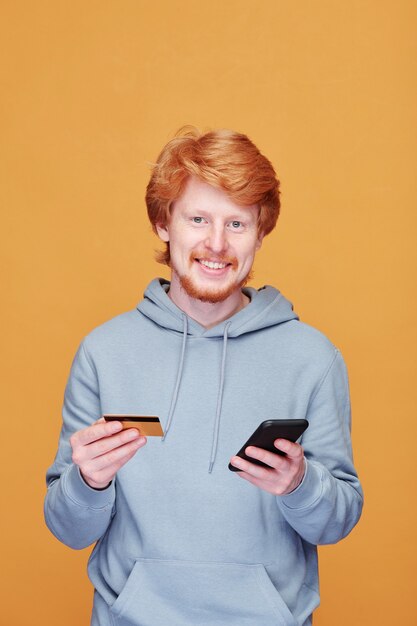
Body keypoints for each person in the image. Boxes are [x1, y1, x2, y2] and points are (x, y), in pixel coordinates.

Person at [44, 127, 363, 626]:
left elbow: (337, 520)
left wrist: (300, 483)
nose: (216, 244)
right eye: (198, 219)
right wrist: (88, 480)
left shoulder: (313, 358)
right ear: (163, 224)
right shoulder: (104, 352)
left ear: (261, 233)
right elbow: (68, 529)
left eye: (237, 223)